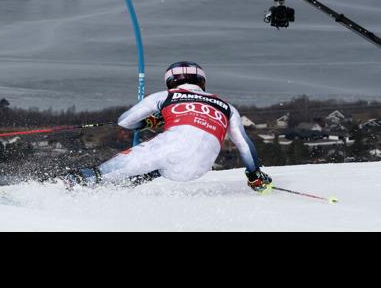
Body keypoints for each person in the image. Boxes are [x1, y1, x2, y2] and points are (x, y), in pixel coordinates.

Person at [69, 61, 272, 191]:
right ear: (201, 82)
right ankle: (127, 184)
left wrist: (147, 122)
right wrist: (254, 175)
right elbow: (245, 145)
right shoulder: (228, 108)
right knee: (158, 165)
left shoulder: (166, 96)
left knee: (114, 168)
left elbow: (125, 122)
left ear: (171, 81)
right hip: (199, 167)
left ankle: (74, 183)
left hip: (170, 148)